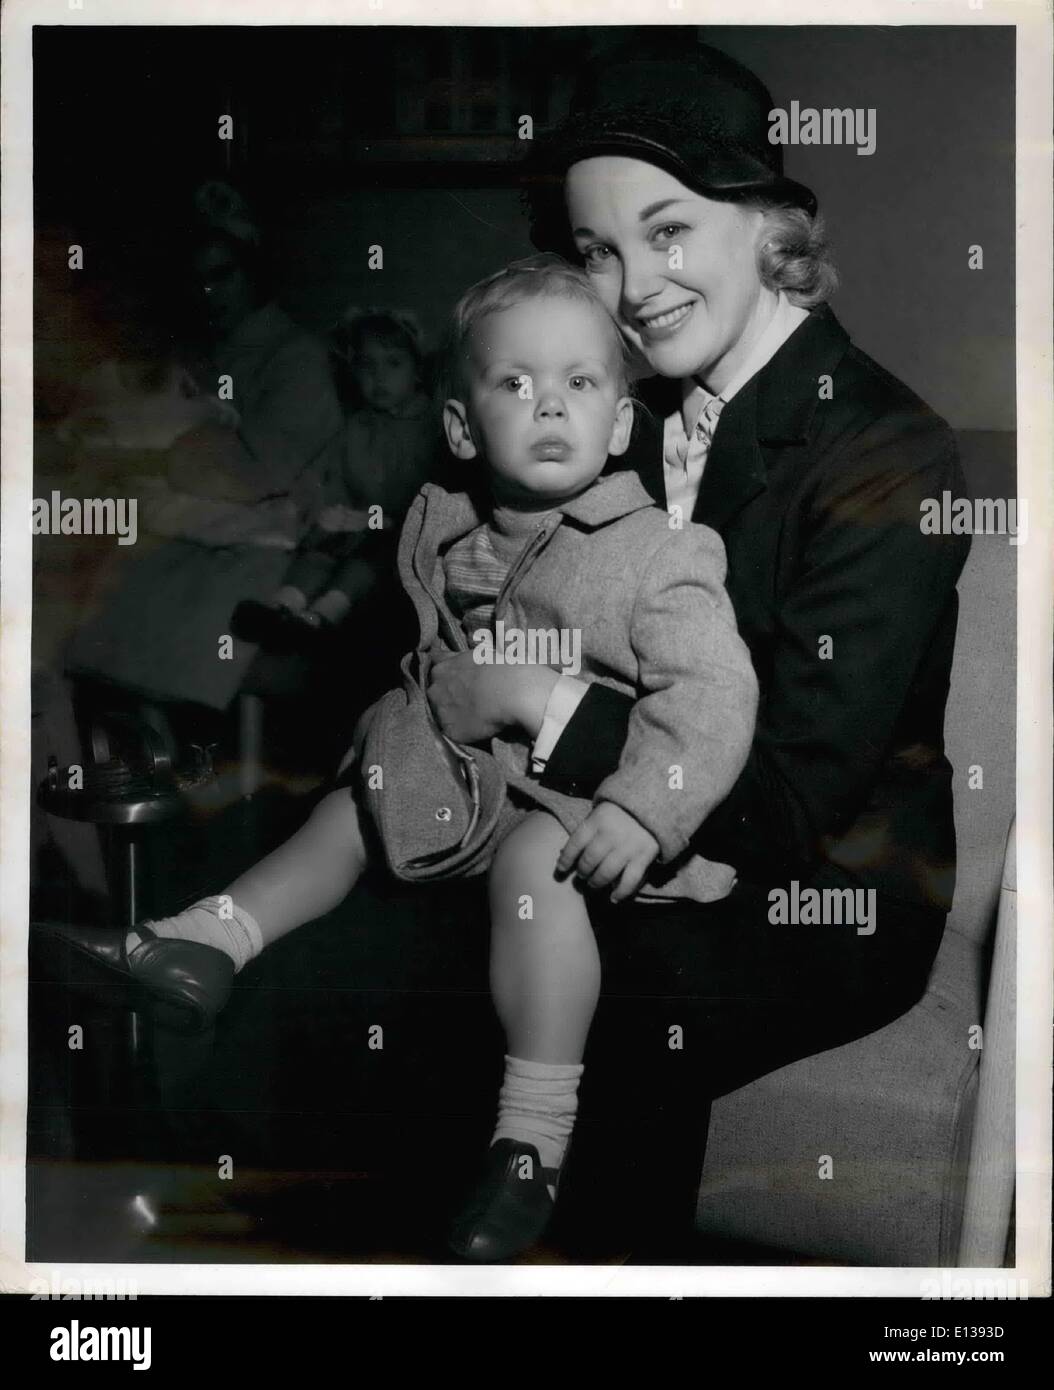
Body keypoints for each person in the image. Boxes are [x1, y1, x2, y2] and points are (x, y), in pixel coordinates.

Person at [44, 254, 759, 1261]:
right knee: (350, 804)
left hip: (585, 805)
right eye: (516, 383)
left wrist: (644, 808)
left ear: (621, 424)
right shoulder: (445, 527)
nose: (549, 405)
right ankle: (207, 937)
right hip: (468, 780)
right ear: (464, 427)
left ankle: (531, 1142)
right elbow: (433, 664)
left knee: (531, 874)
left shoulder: (659, 553)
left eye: (580, 384)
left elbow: (714, 698)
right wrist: (394, 729)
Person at [416, 37, 973, 1248]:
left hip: (826, 889)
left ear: (771, 225)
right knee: (423, 929)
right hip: (616, 812)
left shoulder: (889, 452)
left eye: (667, 232)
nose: (630, 285)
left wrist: (540, 701)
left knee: (616, 1000)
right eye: (596, 250)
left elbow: (789, 795)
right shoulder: (619, 408)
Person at [232, 308, 438, 649]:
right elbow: (325, 474)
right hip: (359, 523)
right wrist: (321, 508)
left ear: (417, 371)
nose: (379, 377)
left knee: (371, 555)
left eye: (393, 364)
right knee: (322, 542)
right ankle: (283, 606)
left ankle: (323, 616)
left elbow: (431, 494)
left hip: (403, 531)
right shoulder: (357, 427)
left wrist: (379, 520)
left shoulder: (430, 427)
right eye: (366, 366)